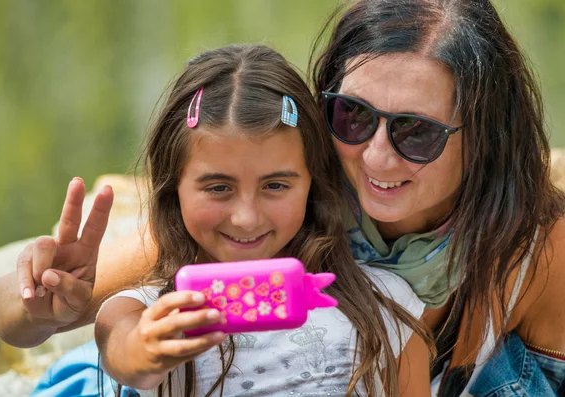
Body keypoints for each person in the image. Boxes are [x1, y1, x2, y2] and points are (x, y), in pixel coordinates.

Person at [0, 0, 565, 395]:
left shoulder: (535, 249)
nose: (378, 158)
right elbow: (45, 313)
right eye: (353, 116)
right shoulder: (269, 213)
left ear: (486, 132)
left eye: (417, 132)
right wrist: (36, 298)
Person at [93, 44, 431, 397]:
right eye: (219, 187)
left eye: (275, 185)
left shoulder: (386, 303)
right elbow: (126, 352)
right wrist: (148, 350)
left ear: (313, 181)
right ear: (172, 188)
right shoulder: (145, 311)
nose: (246, 218)